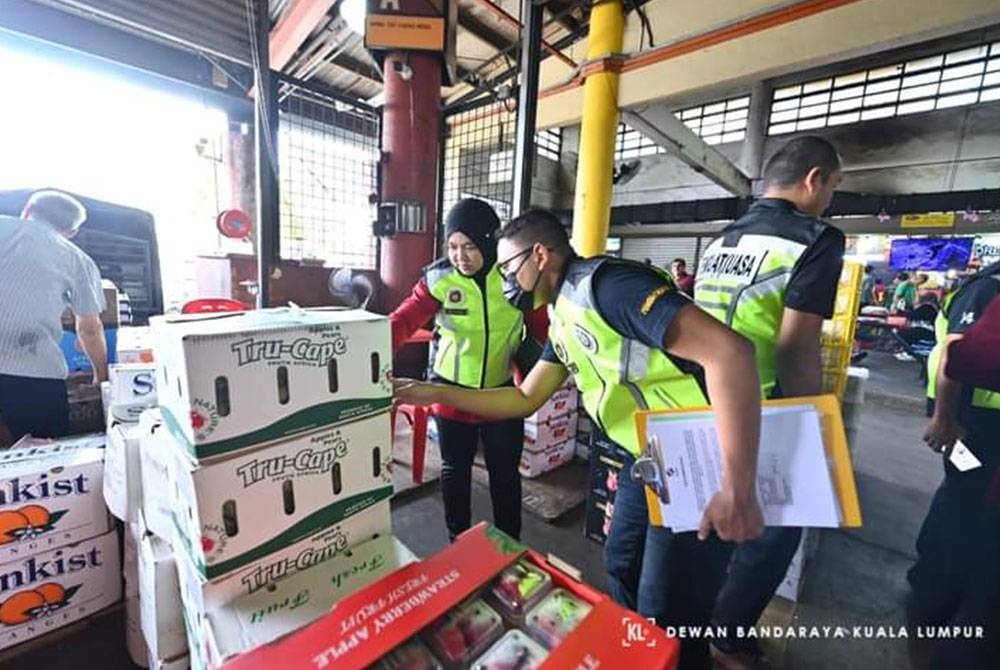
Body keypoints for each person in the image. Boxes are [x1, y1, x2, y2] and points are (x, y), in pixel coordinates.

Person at [397, 209, 764, 670]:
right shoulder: (562, 313)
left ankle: (677, 658)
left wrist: (738, 485)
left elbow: (730, 351)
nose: (507, 281)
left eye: (509, 269)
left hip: (694, 458)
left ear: (541, 255)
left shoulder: (609, 287)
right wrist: (432, 391)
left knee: (668, 604)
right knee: (622, 564)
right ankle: (641, 655)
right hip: (642, 456)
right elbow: (524, 399)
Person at [695, 135, 845, 670]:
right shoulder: (817, 239)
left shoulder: (724, 240)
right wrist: (815, 424)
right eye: (831, 187)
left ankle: (699, 622)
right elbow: (795, 345)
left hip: (705, 404)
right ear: (814, 179)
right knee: (774, 533)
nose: (829, 200)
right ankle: (726, 638)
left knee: (715, 518)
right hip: (768, 409)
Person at [389, 198, 547, 541]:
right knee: (454, 471)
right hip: (449, 394)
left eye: (470, 246)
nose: (460, 256)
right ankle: (457, 542)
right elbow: (401, 322)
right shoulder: (439, 280)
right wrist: (370, 356)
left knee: (505, 475)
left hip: (501, 396)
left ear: (490, 242)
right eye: (453, 246)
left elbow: (544, 328)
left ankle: (510, 545)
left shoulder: (516, 279)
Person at [911, 260, 1000, 669]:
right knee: (962, 503)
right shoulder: (987, 289)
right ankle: (931, 594)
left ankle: (937, 593)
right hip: (970, 428)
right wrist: (944, 419)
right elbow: (953, 354)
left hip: (982, 427)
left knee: (968, 505)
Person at [0, 190, 107, 444]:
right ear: (71, 232)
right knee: (42, 465)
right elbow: (89, 329)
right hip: (33, 376)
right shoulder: (77, 259)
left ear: (26, 212)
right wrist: (100, 375)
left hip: (27, 373)